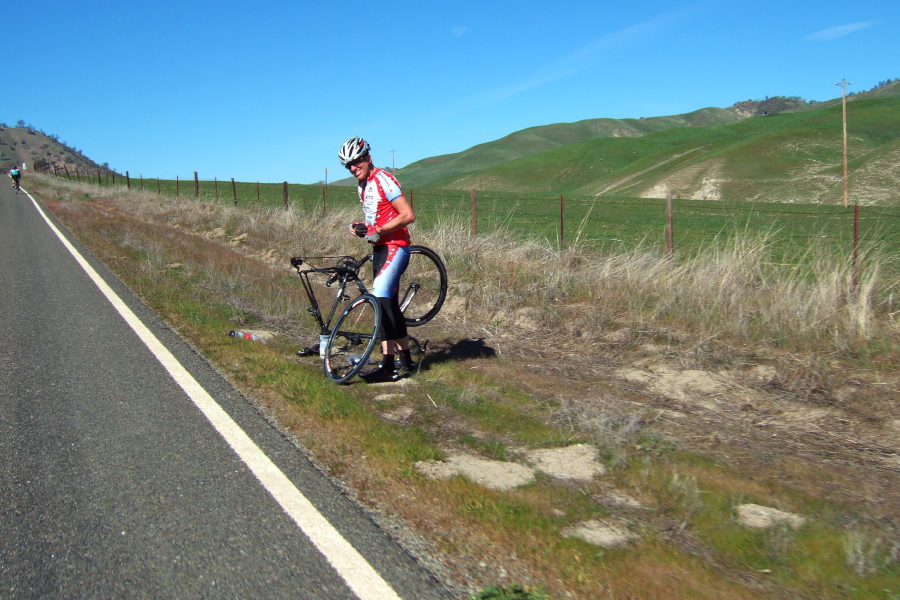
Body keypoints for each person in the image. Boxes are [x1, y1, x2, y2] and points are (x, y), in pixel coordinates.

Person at [339, 136, 416, 383]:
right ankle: (407, 362)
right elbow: (376, 221)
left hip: (396, 246)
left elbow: (407, 215)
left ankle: (388, 367)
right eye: (348, 165)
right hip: (380, 249)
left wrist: (380, 230)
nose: (353, 168)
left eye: (356, 162)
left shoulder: (385, 180)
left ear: (368, 158)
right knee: (389, 306)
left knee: (380, 302)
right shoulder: (362, 186)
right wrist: (362, 227)